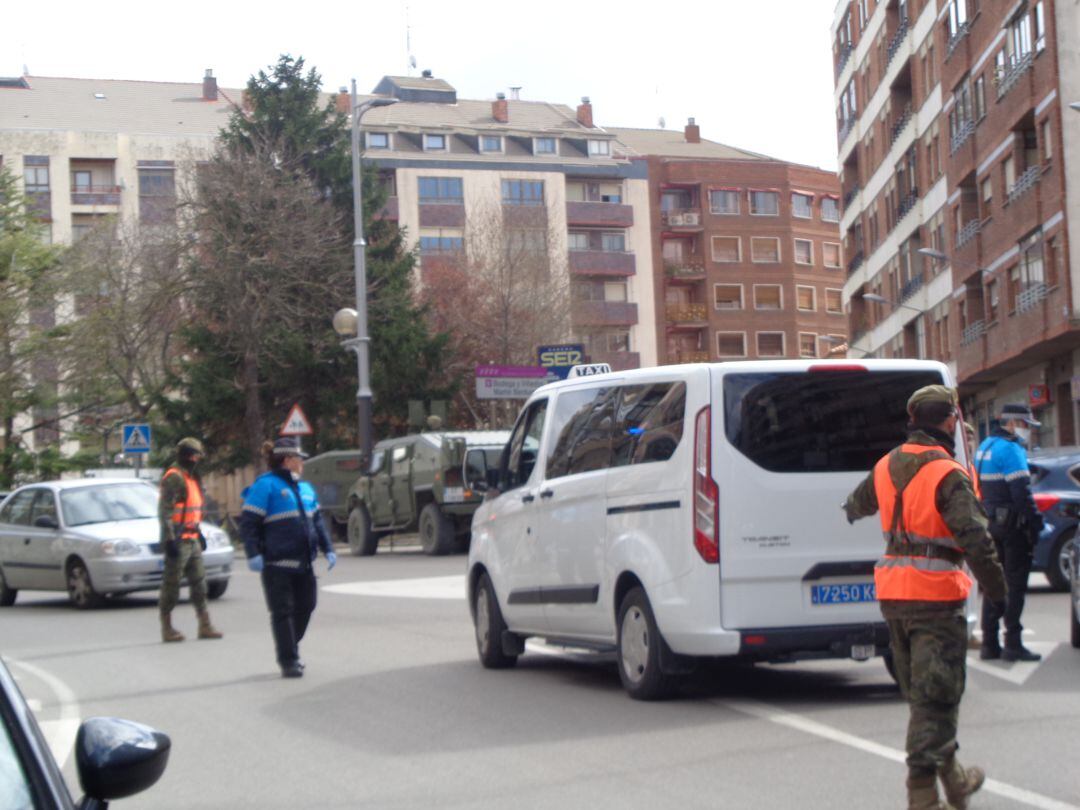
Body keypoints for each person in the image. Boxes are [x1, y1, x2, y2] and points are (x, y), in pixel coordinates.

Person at [844, 385, 1006, 810]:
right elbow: (976, 538)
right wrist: (998, 591)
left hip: (895, 597)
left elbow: (855, 505)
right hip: (935, 598)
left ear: (913, 421)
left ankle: (955, 783)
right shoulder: (946, 472)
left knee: (925, 695)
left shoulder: (885, 466)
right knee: (936, 698)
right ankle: (922, 798)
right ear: (951, 421)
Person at [240, 437, 337, 678]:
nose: (302, 462)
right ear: (287, 460)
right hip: (276, 564)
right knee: (282, 612)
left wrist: (329, 548)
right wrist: (253, 553)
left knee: (307, 605)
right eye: (298, 458)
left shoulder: (304, 488)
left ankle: (290, 646)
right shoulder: (266, 486)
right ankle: (289, 661)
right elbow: (249, 523)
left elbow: (317, 522)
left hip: (304, 563)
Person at [974, 403, 1045, 662]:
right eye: (1026, 425)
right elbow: (1022, 494)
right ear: (1013, 423)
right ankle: (1013, 642)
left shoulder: (984, 448)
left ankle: (989, 643)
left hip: (991, 523)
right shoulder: (1012, 449)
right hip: (1013, 527)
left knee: (994, 582)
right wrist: (1036, 523)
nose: (1028, 431)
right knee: (1015, 585)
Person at [158, 437, 223, 643]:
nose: (197, 459)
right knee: (172, 585)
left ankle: (205, 625)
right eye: (194, 455)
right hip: (178, 540)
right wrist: (169, 541)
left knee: (200, 584)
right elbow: (165, 511)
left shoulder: (192, 477)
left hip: (192, 537)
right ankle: (167, 628)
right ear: (185, 455)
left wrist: (199, 533)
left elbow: (192, 510)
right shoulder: (174, 477)